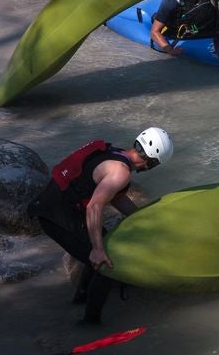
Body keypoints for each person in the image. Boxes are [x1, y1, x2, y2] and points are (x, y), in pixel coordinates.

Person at [28, 128, 172, 325]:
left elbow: (115, 198)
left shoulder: (116, 154)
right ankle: (90, 323)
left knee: (101, 250)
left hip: (54, 207)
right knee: (105, 263)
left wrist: (141, 217)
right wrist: (97, 249)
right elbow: (95, 206)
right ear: (153, 161)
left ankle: (80, 299)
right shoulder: (121, 172)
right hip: (55, 216)